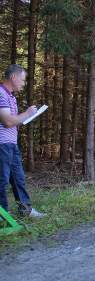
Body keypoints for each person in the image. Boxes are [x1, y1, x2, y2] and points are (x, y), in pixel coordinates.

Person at [0, 64, 45, 218]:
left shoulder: (10, 96)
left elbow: (13, 121)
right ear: (13, 77)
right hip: (2, 145)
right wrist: (26, 113)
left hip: (11, 144)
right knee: (2, 181)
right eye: (23, 80)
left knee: (18, 179)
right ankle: (2, 215)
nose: (24, 83)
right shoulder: (1, 94)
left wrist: (27, 116)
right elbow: (8, 121)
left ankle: (25, 210)